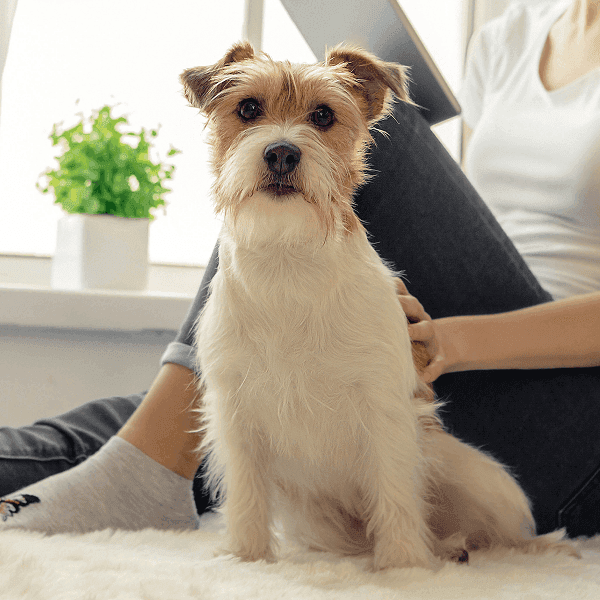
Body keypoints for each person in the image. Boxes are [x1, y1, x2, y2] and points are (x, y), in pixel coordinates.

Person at [1, 0, 599, 538]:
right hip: (457, 369)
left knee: (361, 132)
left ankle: (146, 470)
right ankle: (104, 464)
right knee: (185, 409)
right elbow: (489, 220)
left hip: (569, 414)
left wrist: (451, 338)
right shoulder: (511, 35)